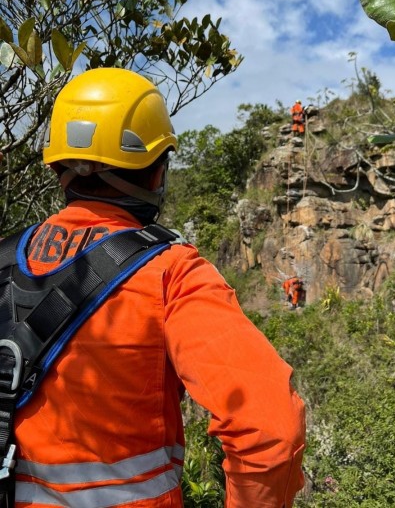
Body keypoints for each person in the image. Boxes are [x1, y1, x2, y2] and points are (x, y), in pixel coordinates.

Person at [6, 68, 305, 508]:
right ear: (155, 171)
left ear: (59, 167)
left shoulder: (5, 258)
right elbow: (270, 429)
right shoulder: (172, 271)